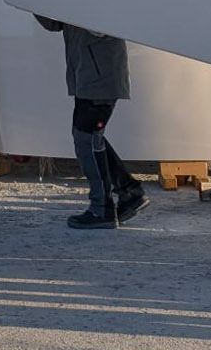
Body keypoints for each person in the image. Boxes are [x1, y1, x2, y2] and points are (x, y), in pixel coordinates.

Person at [33, 17, 147, 228]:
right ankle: (129, 191)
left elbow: (101, 25)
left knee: (86, 139)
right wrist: (33, 3)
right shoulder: (74, 0)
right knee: (89, 138)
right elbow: (54, 24)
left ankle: (102, 209)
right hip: (86, 75)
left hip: (100, 76)